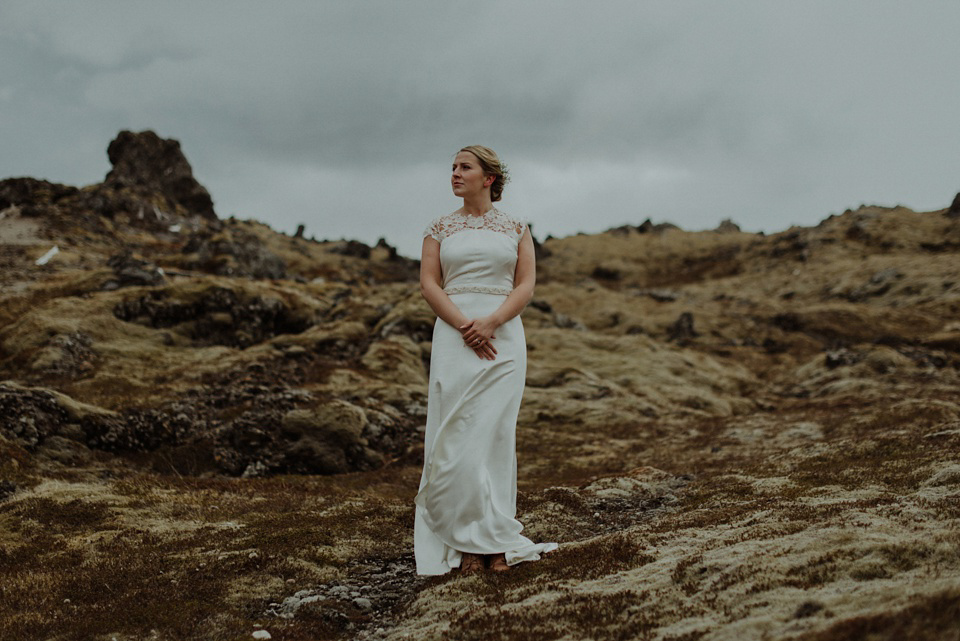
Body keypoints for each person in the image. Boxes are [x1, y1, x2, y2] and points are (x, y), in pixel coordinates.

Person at [414, 145, 558, 575]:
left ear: (488, 177)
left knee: (492, 437)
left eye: (464, 167)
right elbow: (429, 284)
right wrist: (465, 326)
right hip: (455, 338)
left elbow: (526, 285)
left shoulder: (515, 226)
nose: (455, 174)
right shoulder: (439, 227)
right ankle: (463, 542)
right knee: (456, 436)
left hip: (504, 337)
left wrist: (492, 321)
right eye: (453, 168)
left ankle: (494, 539)